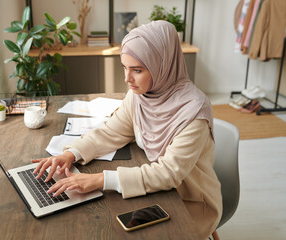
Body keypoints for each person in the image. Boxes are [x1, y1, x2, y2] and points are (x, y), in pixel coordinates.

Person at [32, 21, 222, 239]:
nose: (127, 78)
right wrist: (70, 154)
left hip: (190, 202)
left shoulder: (194, 112)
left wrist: (101, 180)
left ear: (164, 65)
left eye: (137, 70)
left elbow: (168, 173)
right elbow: (110, 132)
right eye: (124, 67)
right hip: (154, 193)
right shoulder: (140, 95)